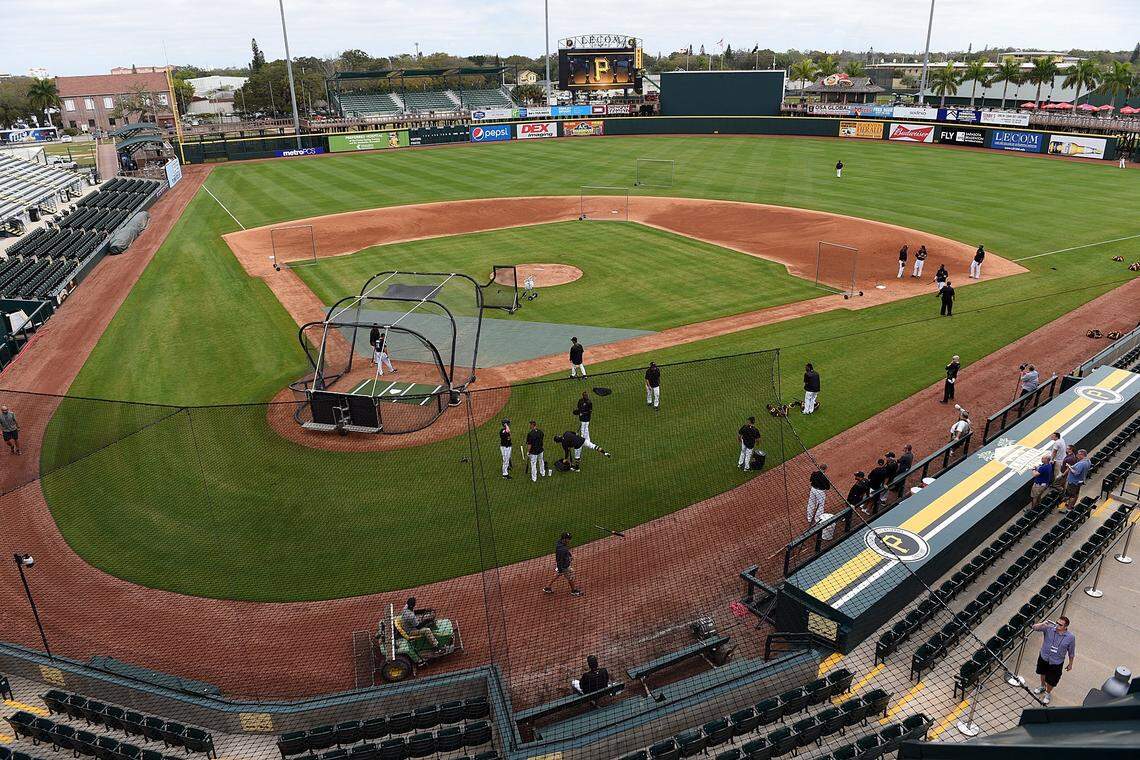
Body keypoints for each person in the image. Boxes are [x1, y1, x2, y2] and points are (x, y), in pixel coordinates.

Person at [1031, 617, 1076, 704]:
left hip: (1056, 662)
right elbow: (1034, 627)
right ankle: (1042, 686)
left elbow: (1071, 652)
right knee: (1042, 673)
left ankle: (1048, 693)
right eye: (1057, 622)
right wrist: (1042, 624)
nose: (1057, 625)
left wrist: (1070, 664)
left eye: (1060, 624)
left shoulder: (1070, 637)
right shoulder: (1049, 628)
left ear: (1065, 626)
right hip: (1044, 657)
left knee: (1052, 680)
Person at [544, 532, 582, 597]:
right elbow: (559, 560)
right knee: (570, 577)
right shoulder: (562, 549)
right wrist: (561, 569)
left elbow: (566, 551)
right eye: (568, 539)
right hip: (564, 566)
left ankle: (547, 587)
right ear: (564, 539)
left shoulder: (560, 543)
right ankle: (574, 591)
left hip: (563, 564)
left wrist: (569, 555)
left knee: (557, 574)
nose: (569, 540)